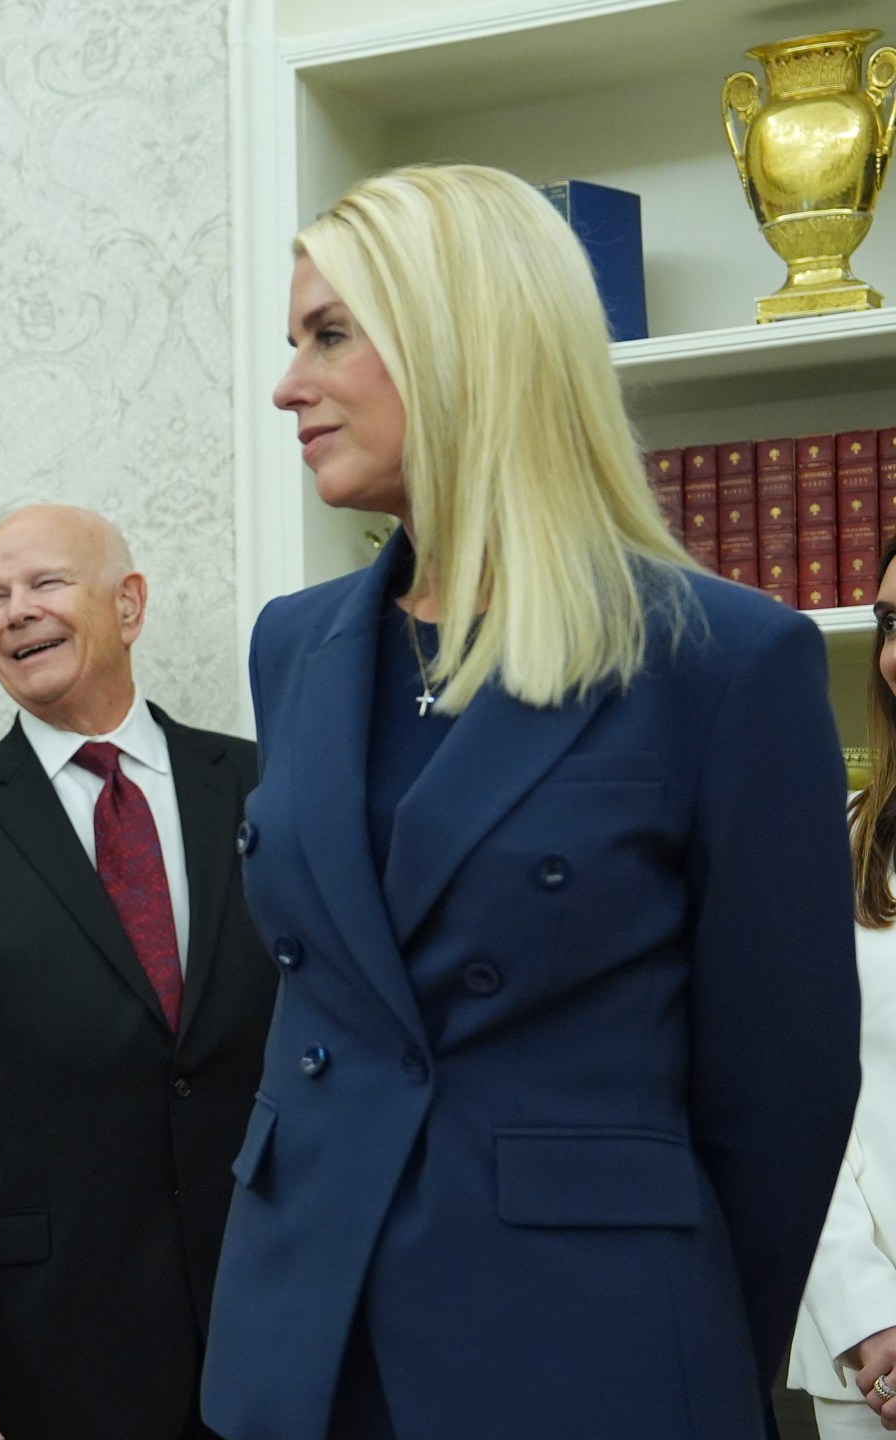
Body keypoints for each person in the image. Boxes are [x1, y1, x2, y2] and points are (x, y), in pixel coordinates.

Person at [202, 162, 858, 1439]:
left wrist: (690, 1347)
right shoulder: (293, 646)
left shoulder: (723, 659)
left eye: (330, 335)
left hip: (582, 1356)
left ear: (466, 342)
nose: (287, 384)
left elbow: (781, 1092)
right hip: (298, 1351)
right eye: (291, 341)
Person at [0, 504, 276, 1440]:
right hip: (49, 1348)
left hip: (279, 1315)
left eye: (44, 584)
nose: (14, 612)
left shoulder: (265, 788)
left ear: (129, 605)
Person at [793, 536, 896, 1437]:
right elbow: (796, 1089)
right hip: (879, 1352)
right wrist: (867, 1309)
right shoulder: (842, 839)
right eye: (894, 623)